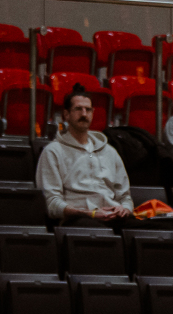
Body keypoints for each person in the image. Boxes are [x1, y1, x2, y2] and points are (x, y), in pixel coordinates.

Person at [35, 85, 132, 222]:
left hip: (114, 217)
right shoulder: (53, 151)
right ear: (66, 115)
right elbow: (51, 203)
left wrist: (125, 209)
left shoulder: (109, 151)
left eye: (88, 110)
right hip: (78, 219)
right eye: (78, 109)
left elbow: (125, 197)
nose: (84, 114)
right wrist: (89, 213)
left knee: (155, 227)